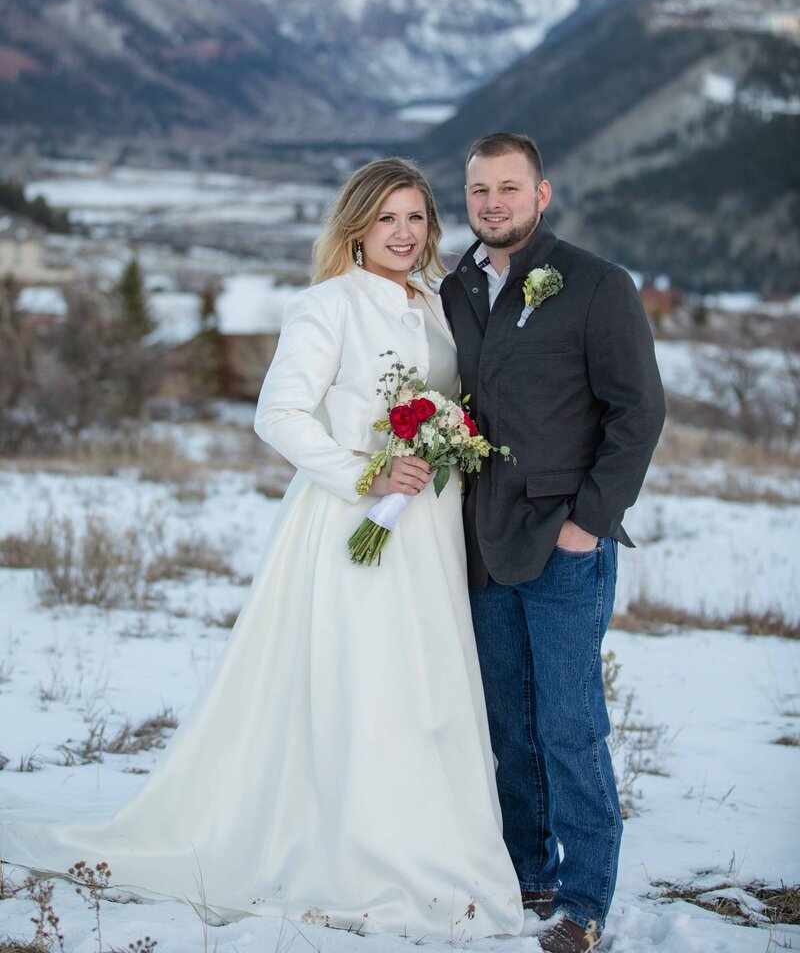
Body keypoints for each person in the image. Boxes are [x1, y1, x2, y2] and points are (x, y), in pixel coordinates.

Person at [0, 158, 524, 941]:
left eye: (416, 218)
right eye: (387, 219)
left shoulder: (439, 302)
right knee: (363, 682)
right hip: (356, 521)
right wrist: (367, 472)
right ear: (356, 227)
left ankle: (434, 838)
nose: (404, 233)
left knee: (428, 687)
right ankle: (350, 842)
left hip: (432, 530)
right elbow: (278, 415)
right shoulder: (326, 305)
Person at [440, 133, 666, 953]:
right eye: (478, 191)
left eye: (508, 188)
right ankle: (527, 874)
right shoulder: (455, 286)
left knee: (570, 725)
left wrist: (588, 524)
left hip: (565, 540)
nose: (492, 203)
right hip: (482, 539)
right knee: (510, 724)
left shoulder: (597, 285)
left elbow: (637, 413)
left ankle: (582, 903)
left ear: (542, 194)